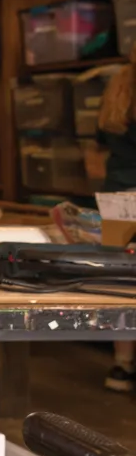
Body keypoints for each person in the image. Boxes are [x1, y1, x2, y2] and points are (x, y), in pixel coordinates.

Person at [97, 56, 136, 391]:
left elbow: (99, 145)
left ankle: (120, 367)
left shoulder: (117, 88)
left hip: (116, 197)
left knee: (122, 284)